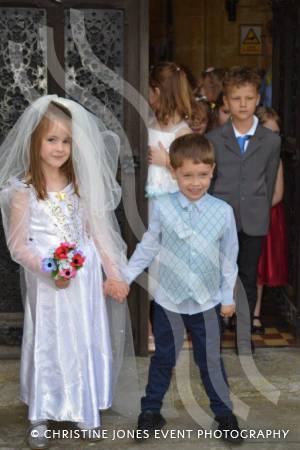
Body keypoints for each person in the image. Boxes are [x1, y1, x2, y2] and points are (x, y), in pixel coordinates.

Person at [0, 96, 132, 449]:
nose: (60, 148)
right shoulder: (22, 191)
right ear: (35, 142)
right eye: (51, 139)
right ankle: (41, 411)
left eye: (67, 140)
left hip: (84, 279)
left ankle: (83, 408)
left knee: (83, 338)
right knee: (49, 341)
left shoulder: (80, 185)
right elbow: (18, 246)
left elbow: (98, 232)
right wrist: (51, 267)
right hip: (48, 282)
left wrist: (114, 273)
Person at [123, 133, 243, 444]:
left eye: (202, 175)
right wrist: (125, 276)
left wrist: (228, 297)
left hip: (207, 302)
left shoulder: (223, 212)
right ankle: (150, 411)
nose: (195, 182)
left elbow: (229, 259)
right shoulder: (162, 207)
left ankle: (224, 414)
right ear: (174, 172)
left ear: (212, 170)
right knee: (163, 357)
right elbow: (149, 246)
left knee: (210, 360)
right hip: (169, 301)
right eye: (187, 175)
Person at [207, 66, 281, 354]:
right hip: (220, 219)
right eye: (236, 98)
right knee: (217, 275)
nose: (242, 104)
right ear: (226, 100)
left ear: (257, 99)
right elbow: (210, 181)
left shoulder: (271, 141)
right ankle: (213, 334)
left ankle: (243, 336)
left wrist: (260, 209)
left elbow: (270, 177)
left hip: (253, 219)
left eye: (248, 98)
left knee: (248, 277)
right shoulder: (214, 139)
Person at [253, 107, 288, 333]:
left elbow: (278, 194)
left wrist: (259, 209)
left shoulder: (277, 161)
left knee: (259, 271)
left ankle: (254, 313)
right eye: (268, 132)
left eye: (277, 133)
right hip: (244, 214)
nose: (273, 138)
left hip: (267, 216)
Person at [146, 62, 192, 198]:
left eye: (148, 89)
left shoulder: (182, 132)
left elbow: (190, 173)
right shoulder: (150, 122)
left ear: (157, 92)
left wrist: (166, 161)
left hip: (170, 196)